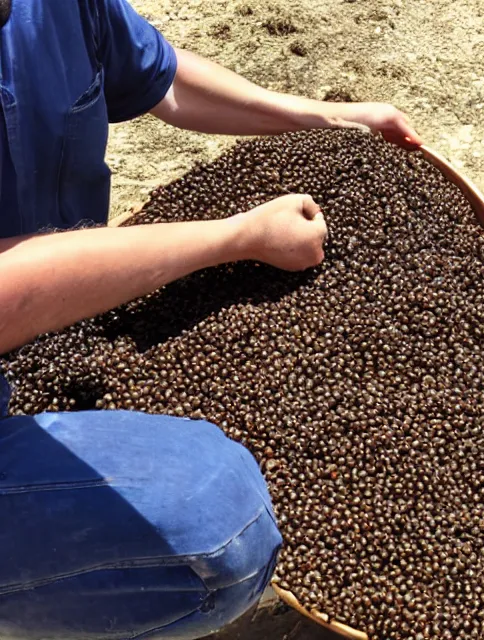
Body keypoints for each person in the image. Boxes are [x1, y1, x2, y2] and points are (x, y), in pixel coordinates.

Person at [0, 0, 422, 638]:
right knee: (216, 520)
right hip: (22, 323)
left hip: (66, 315)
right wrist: (236, 238)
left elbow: (160, 77)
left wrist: (330, 118)